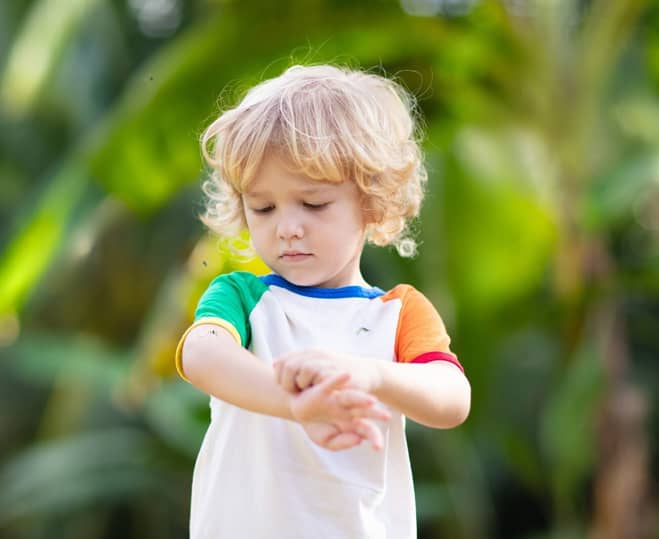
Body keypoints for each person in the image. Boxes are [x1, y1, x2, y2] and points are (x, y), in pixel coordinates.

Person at [175, 64, 471, 539]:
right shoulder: (243, 297)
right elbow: (202, 354)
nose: (287, 227)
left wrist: (370, 374)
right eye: (263, 207)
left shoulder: (397, 313)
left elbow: (452, 399)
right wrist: (296, 403)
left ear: (372, 202)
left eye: (313, 204)